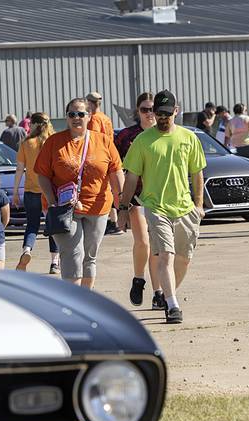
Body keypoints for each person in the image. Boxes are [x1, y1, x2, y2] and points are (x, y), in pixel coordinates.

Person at [118, 90, 207, 324]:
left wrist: (198, 205)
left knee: (183, 259)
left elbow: (197, 173)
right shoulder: (143, 141)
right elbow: (131, 178)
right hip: (156, 208)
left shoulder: (189, 138)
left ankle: (169, 295)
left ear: (176, 111)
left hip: (185, 208)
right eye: (159, 114)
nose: (163, 118)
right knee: (165, 255)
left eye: (167, 113)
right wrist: (123, 207)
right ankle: (173, 306)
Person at [34, 98, 124, 290]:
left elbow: (116, 172)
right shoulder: (54, 142)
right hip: (65, 208)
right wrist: (51, 201)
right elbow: (42, 175)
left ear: (89, 116)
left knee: (90, 257)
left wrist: (122, 206)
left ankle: (86, 301)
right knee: (73, 255)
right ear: (66, 117)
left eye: (81, 114)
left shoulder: (103, 141)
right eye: (72, 114)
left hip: (98, 207)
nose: (76, 118)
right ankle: (73, 303)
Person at [115, 92, 163, 309]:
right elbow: (114, 168)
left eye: (153, 109)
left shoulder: (163, 134)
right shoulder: (126, 136)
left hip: (160, 197)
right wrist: (120, 201)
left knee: (158, 247)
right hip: (135, 197)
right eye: (145, 109)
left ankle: (159, 292)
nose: (150, 113)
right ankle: (138, 278)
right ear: (138, 111)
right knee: (143, 241)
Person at [13, 112, 60, 274]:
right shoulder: (53, 142)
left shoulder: (26, 143)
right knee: (52, 227)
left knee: (32, 225)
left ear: (33, 125)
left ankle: (27, 250)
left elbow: (20, 169)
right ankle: (54, 262)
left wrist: (15, 192)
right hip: (49, 192)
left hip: (31, 191)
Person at [86, 91, 121, 235]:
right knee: (109, 188)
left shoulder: (93, 119)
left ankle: (108, 220)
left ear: (89, 103)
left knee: (101, 189)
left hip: (98, 156)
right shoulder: (106, 118)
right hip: (109, 153)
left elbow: (92, 139)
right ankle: (114, 221)